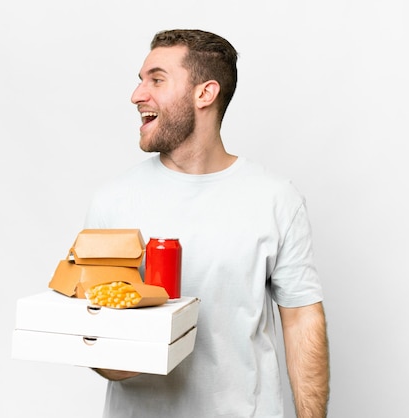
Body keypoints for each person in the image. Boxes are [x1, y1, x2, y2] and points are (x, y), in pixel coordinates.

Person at [84, 29, 330, 418]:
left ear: (205, 93)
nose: (137, 95)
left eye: (157, 80)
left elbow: (301, 318)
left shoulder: (275, 199)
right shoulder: (114, 201)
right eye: (140, 80)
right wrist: (108, 352)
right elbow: (95, 327)